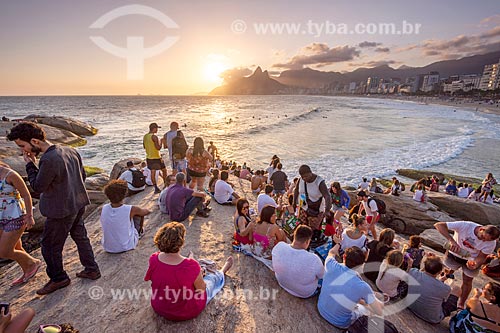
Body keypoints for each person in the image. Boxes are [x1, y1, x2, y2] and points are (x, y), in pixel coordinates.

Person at [7, 122, 101, 295]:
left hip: (61, 210)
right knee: (80, 237)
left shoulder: (49, 159)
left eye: (22, 145)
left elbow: (37, 186)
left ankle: (59, 278)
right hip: (77, 203)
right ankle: (91, 268)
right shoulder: (69, 150)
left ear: (34, 141)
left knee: (49, 246)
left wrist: (30, 164)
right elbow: (83, 175)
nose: (22, 150)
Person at [144, 222, 233, 321]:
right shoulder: (191, 266)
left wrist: (191, 264)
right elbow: (202, 289)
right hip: (185, 311)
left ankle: (209, 273)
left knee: (195, 272)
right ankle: (222, 271)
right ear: (181, 242)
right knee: (211, 280)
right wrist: (197, 271)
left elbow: (165, 277)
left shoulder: (154, 259)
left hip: (160, 307)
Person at [434, 221, 499, 309]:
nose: (483, 241)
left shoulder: (491, 243)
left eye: (486, 240)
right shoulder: (466, 226)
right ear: (481, 229)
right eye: (483, 237)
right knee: (446, 272)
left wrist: (476, 264)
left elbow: (482, 256)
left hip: (471, 259)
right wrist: (451, 241)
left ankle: (461, 303)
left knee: (467, 281)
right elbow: (439, 225)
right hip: (454, 253)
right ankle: (436, 290)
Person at [317, 245, 383, 329]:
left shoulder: (330, 264)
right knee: (367, 309)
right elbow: (378, 311)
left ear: (344, 256)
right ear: (361, 264)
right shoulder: (362, 286)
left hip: (321, 309)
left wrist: (338, 243)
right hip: (340, 322)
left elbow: (332, 252)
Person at [0, 162, 41, 286]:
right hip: (1, 218)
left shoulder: (10, 174)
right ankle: (27, 270)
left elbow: (26, 195)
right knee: (16, 248)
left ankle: (33, 263)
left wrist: (29, 216)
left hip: (16, 216)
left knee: (4, 251)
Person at [406, 254, 461, 324]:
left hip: (410, 305)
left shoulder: (413, 272)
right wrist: (445, 283)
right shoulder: (445, 288)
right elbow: (444, 300)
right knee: (457, 289)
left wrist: (440, 281)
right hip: (432, 318)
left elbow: (424, 280)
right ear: (439, 272)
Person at [272, 225, 324, 298]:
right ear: (307, 241)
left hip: (282, 282)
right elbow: (322, 276)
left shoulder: (279, 246)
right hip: (304, 293)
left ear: (294, 236)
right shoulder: (314, 259)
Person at [100, 180, 151, 253]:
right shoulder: (131, 209)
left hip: (108, 247)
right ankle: (139, 233)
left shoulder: (104, 208)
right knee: (138, 215)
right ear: (124, 194)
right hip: (125, 246)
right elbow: (145, 212)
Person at [293, 165, 332, 243]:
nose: (304, 178)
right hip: (303, 208)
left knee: (312, 231)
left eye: (306, 176)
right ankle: (302, 243)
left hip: (315, 210)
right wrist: (294, 203)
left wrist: (327, 210)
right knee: (302, 228)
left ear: (311, 172)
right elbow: (296, 190)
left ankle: (310, 245)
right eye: (302, 177)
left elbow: (327, 196)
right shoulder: (301, 180)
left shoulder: (319, 182)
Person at [143, 123, 167, 193]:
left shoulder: (145, 136)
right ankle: (166, 184)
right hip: (156, 157)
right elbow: (158, 148)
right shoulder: (154, 137)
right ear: (154, 128)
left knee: (152, 172)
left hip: (149, 157)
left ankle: (156, 188)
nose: (157, 130)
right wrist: (161, 142)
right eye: (157, 128)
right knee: (164, 170)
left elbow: (144, 146)